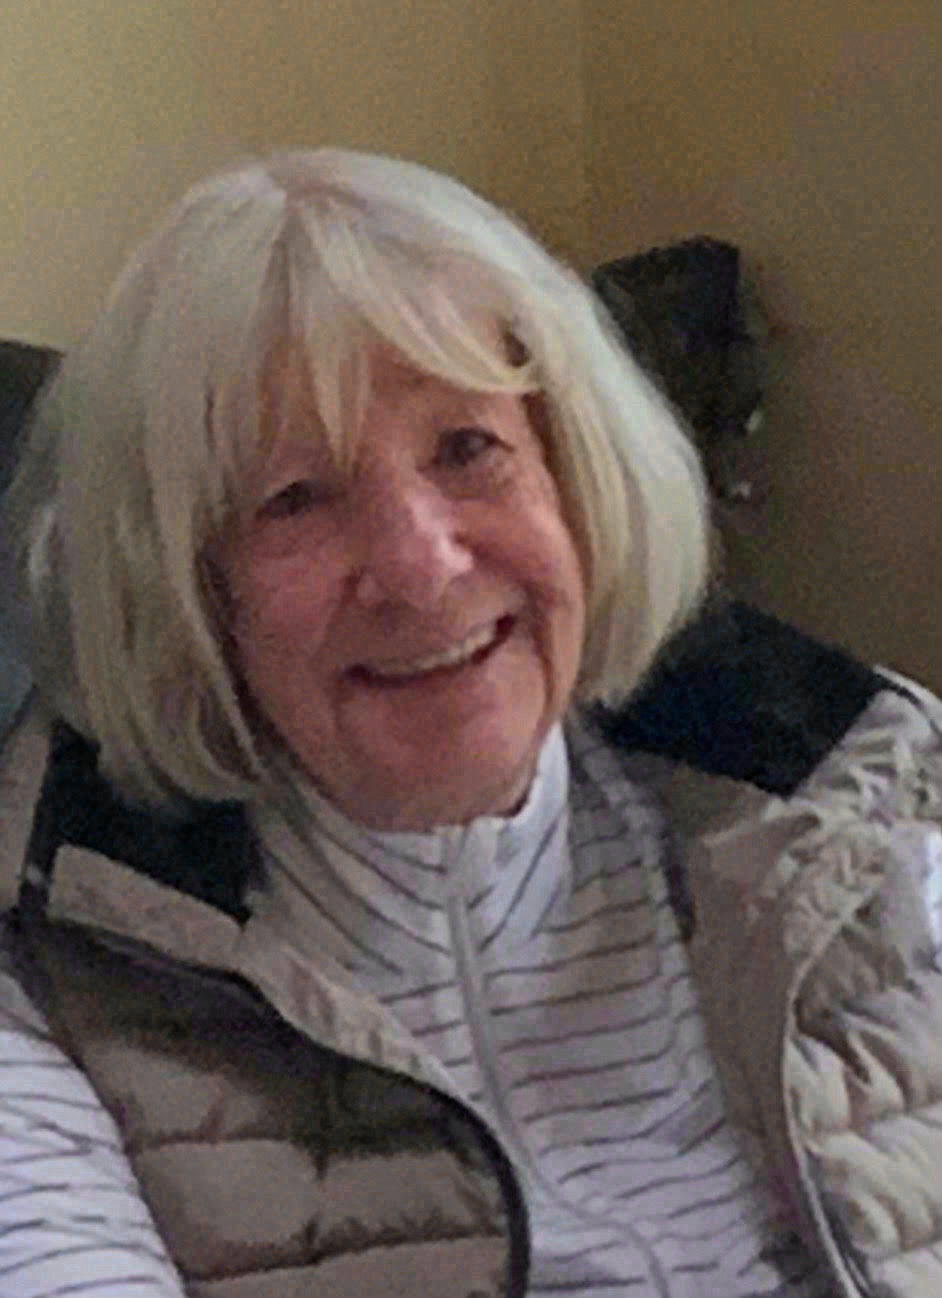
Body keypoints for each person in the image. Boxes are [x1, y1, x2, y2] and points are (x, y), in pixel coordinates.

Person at [1, 149, 941, 1298]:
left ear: (575, 476)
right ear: (191, 591)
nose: (421, 564)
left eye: (467, 447)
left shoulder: (861, 816)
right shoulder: (44, 988)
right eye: (296, 497)